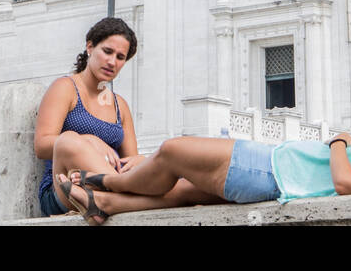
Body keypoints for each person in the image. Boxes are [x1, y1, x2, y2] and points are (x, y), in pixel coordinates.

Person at [57, 97, 351, 225]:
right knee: (186, 193)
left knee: (173, 150)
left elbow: (346, 185)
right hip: (275, 169)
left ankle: (106, 183)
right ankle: (106, 207)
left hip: (271, 169)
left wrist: (338, 142)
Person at [34, 17, 217, 220]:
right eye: (107, 51)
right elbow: (42, 145)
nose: (112, 62)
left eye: (120, 57)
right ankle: (183, 194)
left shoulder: (119, 104)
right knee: (68, 140)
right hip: (67, 186)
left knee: (168, 159)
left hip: (114, 183)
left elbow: (129, 160)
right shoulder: (66, 87)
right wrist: (88, 140)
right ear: (90, 47)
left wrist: (140, 160)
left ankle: (178, 192)